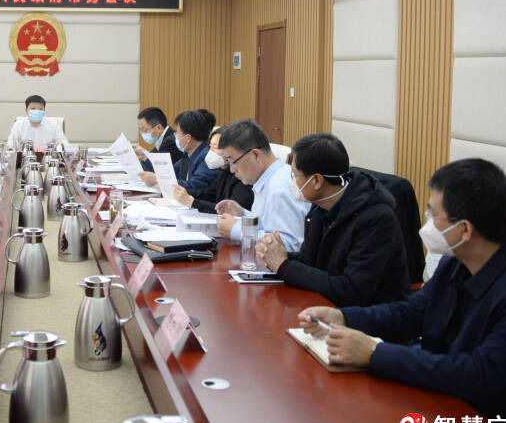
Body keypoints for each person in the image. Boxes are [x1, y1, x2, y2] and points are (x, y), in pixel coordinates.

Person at [297, 159, 506, 423]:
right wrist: (344, 317)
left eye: (433, 214)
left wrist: (375, 353)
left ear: (465, 230)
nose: (427, 223)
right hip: (440, 397)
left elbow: (479, 374)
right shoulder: (457, 261)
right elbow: (412, 312)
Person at [255, 133, 409, 306]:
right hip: (324, 307)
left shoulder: (376, 220)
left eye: (294, 175)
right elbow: (310, 261)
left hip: (368, 315)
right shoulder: (320, 207)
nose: (291, 182)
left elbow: (351, 290)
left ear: (317, 181)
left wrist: (283, 265)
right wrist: (274, 254)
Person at [215, 118, 308, 251]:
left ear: (255, 155)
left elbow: (289, 246)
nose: (232, 169)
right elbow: (267, 226)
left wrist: (236, 230)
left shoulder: (280, 188)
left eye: (233, 161)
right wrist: (243, 214)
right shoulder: (268, 179)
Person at [173, 126, 253, 212]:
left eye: (215, 147)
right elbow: (209, 194)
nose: (211, 152)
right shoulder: (224, 171)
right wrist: (183, 192)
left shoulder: (243, 176)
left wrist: (192, 202)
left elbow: (230, 210)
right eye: (210, 147)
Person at [137, 109, 217, 193]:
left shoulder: (208, 157)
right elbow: (169, 173)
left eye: (178, 134)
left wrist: (158, 180)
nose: (176, 137)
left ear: (188, 138)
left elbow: (194, 186)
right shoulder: (187, 155)